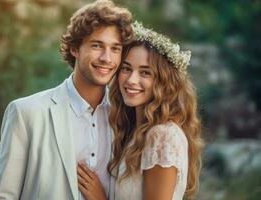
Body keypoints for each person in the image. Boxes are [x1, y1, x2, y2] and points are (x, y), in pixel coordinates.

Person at [0, 1, 133, 199]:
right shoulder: (27, 113)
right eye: (97, 45)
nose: (107, 58)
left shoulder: (126, 118)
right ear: (75, 49)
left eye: (115, 49)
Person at [77, 22, 204, 200]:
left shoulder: (163, 136)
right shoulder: (134, 130)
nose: (131, 80)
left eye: (145, 73)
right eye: (126, 69)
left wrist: (99, 198)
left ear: (163, 82)